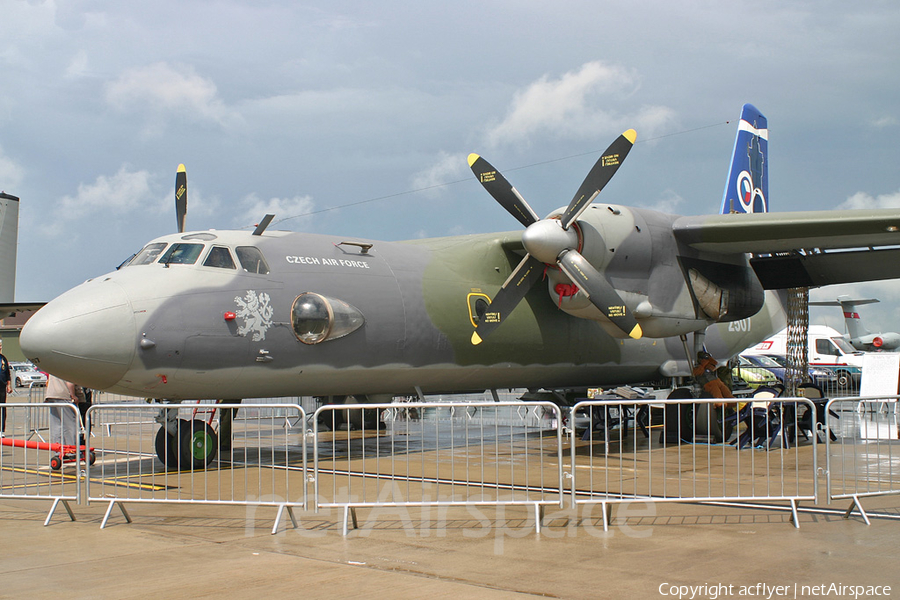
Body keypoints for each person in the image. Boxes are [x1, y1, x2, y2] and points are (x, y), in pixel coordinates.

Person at [44, 374, 85, 447]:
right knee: (70, 425)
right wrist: (73, 395)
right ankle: (71, 449)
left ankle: (57, 449)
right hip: (63, 395)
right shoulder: (68, 365)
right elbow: (69, 381)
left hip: (52, 395)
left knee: (56, 425)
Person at [0, 341, 10, 438]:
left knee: (2, 408)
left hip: (2, 386)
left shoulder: (3, 358)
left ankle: (1, 430)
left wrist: (9, 385)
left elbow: (7, 373)